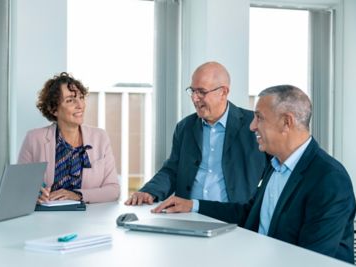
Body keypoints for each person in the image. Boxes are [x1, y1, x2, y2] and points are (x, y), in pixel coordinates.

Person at [152, 85, 356, 263]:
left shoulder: (329, 179)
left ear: (287, 122)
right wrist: (193, 205)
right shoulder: (276, 165)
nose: (252, 126)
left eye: (259, 118)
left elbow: (311, 260)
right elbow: (249, 214)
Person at [125, 62, 267, 206]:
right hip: (189, 216)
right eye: (192, 91)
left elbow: (275, 170)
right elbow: (172, 170)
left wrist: (258, 204)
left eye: (201, 92)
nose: (194, 98)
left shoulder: (254, 124)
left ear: (223, 92)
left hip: (234, 220)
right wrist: (149, 191)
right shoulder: (185, 127)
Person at [18, 72, 120, 203]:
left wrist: (77, 195)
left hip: (89, 219)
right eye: (70, 100)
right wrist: (34, 195)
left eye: (81, 97)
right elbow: (20, 188)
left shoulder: (100, 137)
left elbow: (113, 190)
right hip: (46, 220)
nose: (80, 105)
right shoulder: (34, 138)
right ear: (53, 109)